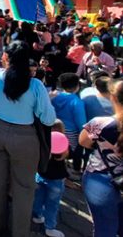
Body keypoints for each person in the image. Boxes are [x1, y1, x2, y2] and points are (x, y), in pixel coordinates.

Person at [0, 41, 56, 237]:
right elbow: (48, 118)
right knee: (24, 187)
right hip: (25, 138)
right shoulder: (36, 85)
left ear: (6, 57)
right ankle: (19, 232)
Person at [79, 79, 123, 237]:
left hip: (100, 180)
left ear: (113, 97)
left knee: (104, 228)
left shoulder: (100, 123)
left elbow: (83, 141)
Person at [32, 123, 69, 237]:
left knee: (38, 198)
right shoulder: (62, 143)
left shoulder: (41, 142)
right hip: (56, 181)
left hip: (40, 176)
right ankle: (50, 227)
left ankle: (37, 216)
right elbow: (68, 155)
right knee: (52, 205)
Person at [51, 73, 87, 176]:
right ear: (77, 86)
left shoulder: (55, 96)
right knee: (76, 153)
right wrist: (83, 132)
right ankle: (75, 171)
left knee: (57, 150)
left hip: (56, 128)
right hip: (72, 133)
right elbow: (81, 122)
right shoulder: (77, 102)